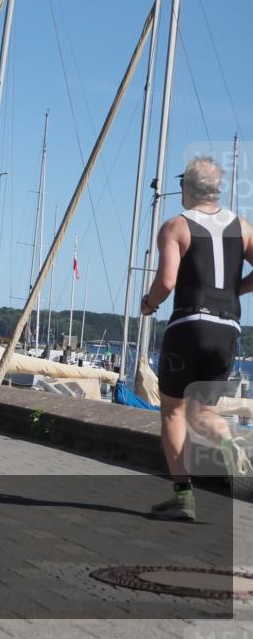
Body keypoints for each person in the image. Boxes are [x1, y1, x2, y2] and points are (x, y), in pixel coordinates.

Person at [142, 157, 252, 521]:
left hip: (189, 323)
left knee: (173, 410)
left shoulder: (176, 227)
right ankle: (231, 439)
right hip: (228, 327)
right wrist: (235, 290)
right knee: (201, 411)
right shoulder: (243, 227)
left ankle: (182, 496)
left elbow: (167, 282)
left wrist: (148, 303)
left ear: (189, 188)